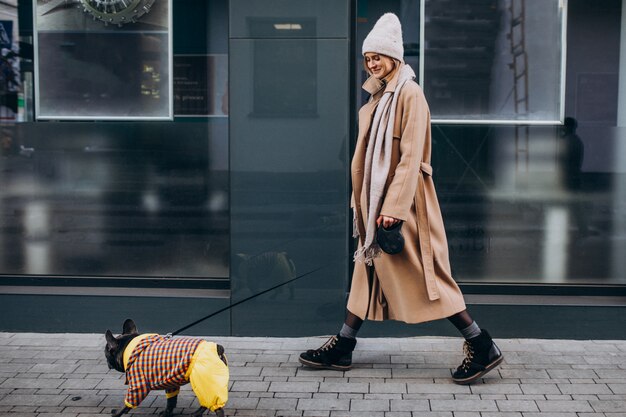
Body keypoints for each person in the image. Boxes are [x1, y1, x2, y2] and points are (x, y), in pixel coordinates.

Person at [298, 13, 503, 385]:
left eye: (378, 56)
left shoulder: (409, 93)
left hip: (405, 207)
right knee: (367, 271)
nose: (372, 63)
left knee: (429, 277)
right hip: (379, 206)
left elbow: (412, 158)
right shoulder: (380, 95)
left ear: (394, 57)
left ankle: (481, 343)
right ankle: (344, 345)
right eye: (368, 58)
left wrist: (393, 208)